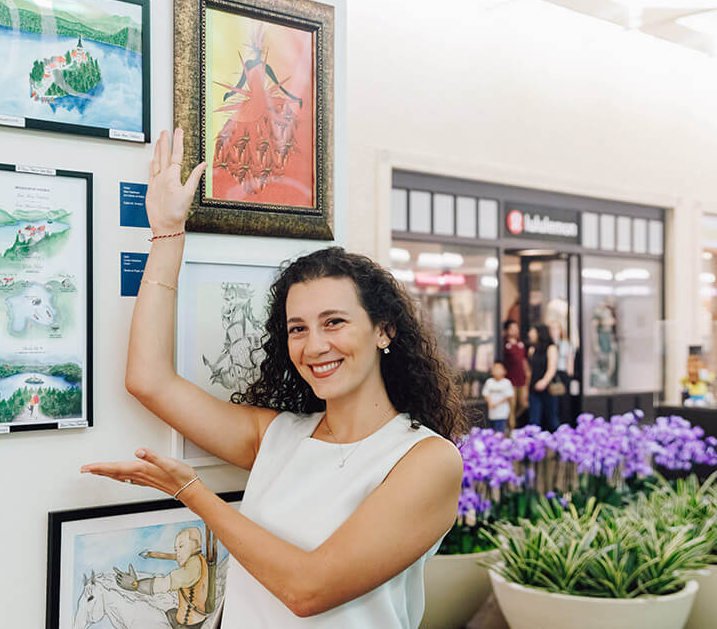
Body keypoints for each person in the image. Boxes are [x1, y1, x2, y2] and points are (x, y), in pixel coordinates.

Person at [81, 129, 465, 628]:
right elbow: (149, 380)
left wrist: (194, 494)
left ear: (383, 331)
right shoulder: (280, 435)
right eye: (298, 329)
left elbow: (307, 589)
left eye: (335, 322)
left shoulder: (427, 459)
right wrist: (168, 231)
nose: (315, 345)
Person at [526, 323, 559, 431]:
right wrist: (527, 388)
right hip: (533, 389)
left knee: (552, 419)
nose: (529, 334)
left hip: (548, 389)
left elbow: (552, 369)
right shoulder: (532, 350)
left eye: (532, 331)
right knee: (534, 420)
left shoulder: (551, 348)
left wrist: (544, 382)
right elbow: (530, 371)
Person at [501, 319, 529, 429]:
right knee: (511, 406)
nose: (515, 330)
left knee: (523, 404)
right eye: (512, 328)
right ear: (507, 330)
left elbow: (524, 361)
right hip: (510, 380)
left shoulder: (521, 344)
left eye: (516, 328)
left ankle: (513, 422)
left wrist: (527, 375)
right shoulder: (504, 344)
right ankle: (510, 428)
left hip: (521, 380)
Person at [482, 361, 514, 434]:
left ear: (504, 371)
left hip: (502, 413)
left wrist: (496, 404)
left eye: (499, 369)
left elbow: (509, 397)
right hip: (491, 413)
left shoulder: (507, 382)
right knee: (492, 431)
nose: (497, 371)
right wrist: (490, 403)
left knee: (500, 431)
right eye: (495, 369)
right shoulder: (489, 382)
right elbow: (485, 394)